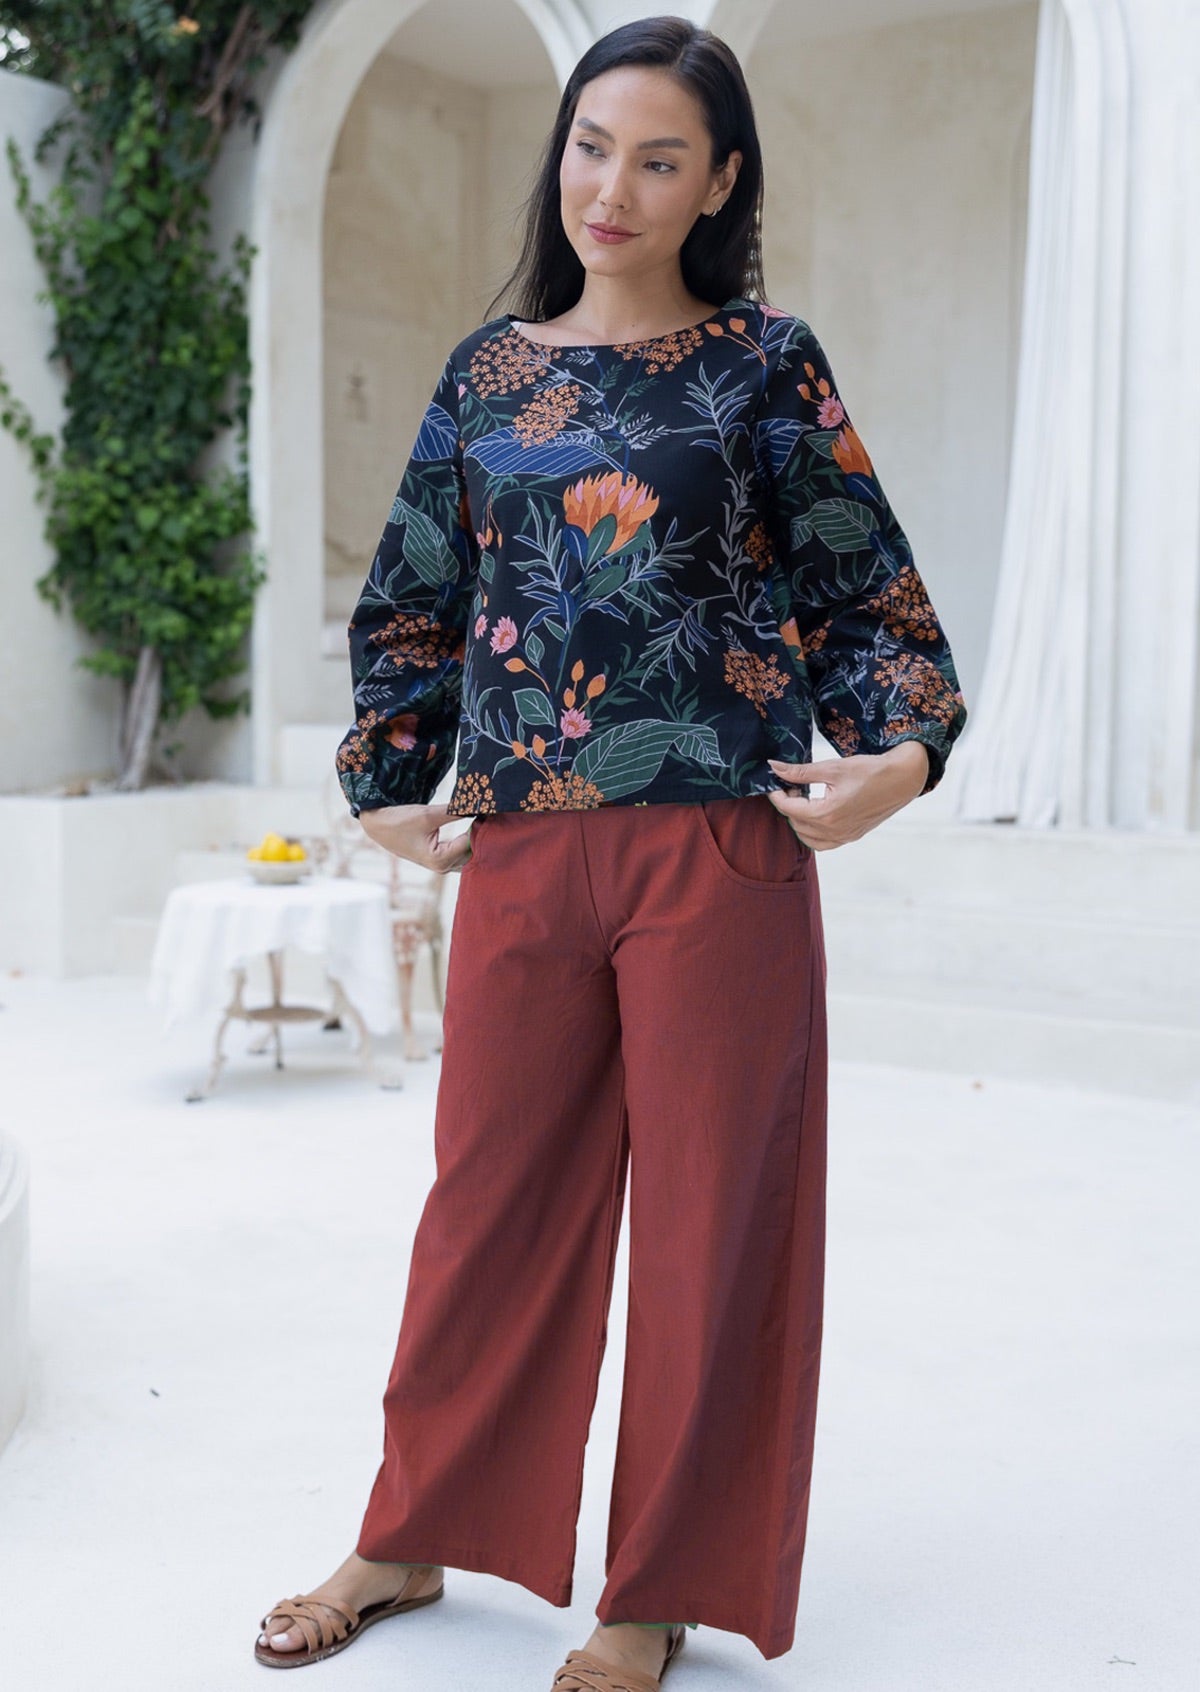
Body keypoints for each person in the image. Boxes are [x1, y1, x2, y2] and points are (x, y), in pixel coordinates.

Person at [254, 15, 967, 1690]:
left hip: (716, 848)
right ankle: (409, 1535)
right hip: (521, 852)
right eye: (591, 145)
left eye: (659, 158)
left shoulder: (765, 365)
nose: (614, 186)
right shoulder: (491, 375)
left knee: (718, 1220)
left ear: (720, 182)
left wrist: (903, 762)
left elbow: (877, 602)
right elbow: (412, 600)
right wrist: (381, 775)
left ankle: (652, 1588)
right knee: (484, 1207)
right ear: (558, 152)